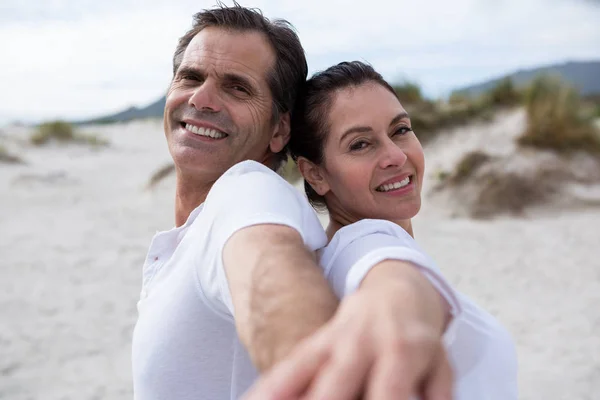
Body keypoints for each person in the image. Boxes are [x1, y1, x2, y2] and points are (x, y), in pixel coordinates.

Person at [132, 5, 462, 400]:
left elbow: (269, 266)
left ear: (278, 129)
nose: (202, 99)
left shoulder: (247, 191)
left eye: (237, 87)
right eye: (191, 77)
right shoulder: (201, 228)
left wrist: (322, 359)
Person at [244, 61, 519, 400]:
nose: (394, 156)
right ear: (315, 174)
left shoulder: (333, 255)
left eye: (400, 130)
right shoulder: (363, 243)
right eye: (360, 144)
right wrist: (396, 303)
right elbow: (388, 280)